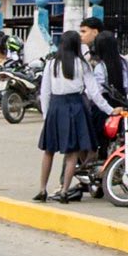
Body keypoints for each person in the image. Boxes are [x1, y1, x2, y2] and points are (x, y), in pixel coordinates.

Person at [37, 30, 115, 202]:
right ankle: (65, 191)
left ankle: (42, 190)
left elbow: (45, 92)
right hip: (75, 107)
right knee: (72, 152)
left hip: (55, 107)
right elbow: (94, 93)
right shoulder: (82, 65)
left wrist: (46, 116)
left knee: (48, 151)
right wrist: (110, 110)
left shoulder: (51, 64)